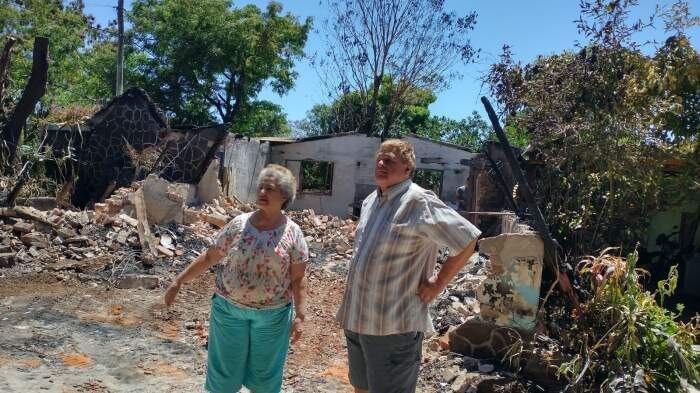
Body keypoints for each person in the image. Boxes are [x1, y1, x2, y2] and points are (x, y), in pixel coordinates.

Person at [336, 139, 481, 393]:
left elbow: (467, 238)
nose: (381, 163)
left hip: (393, 326)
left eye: (390, 160)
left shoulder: (419, 201)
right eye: (379, 158)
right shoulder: (372, 200)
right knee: (361, 387)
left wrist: (437, 284)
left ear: (407, 169)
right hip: (358, 318)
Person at [164, 164, 309, 393]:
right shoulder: (240, 223)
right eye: (260, 187)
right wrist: (179, 281)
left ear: (284, 196)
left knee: (265, 380)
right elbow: (211, 255)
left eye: (269, 189)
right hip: (229, 310)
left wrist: (300, 314)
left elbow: (298, 278)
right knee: (223, 376)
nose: (262, 192)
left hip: (272, 316)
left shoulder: (293, 232)